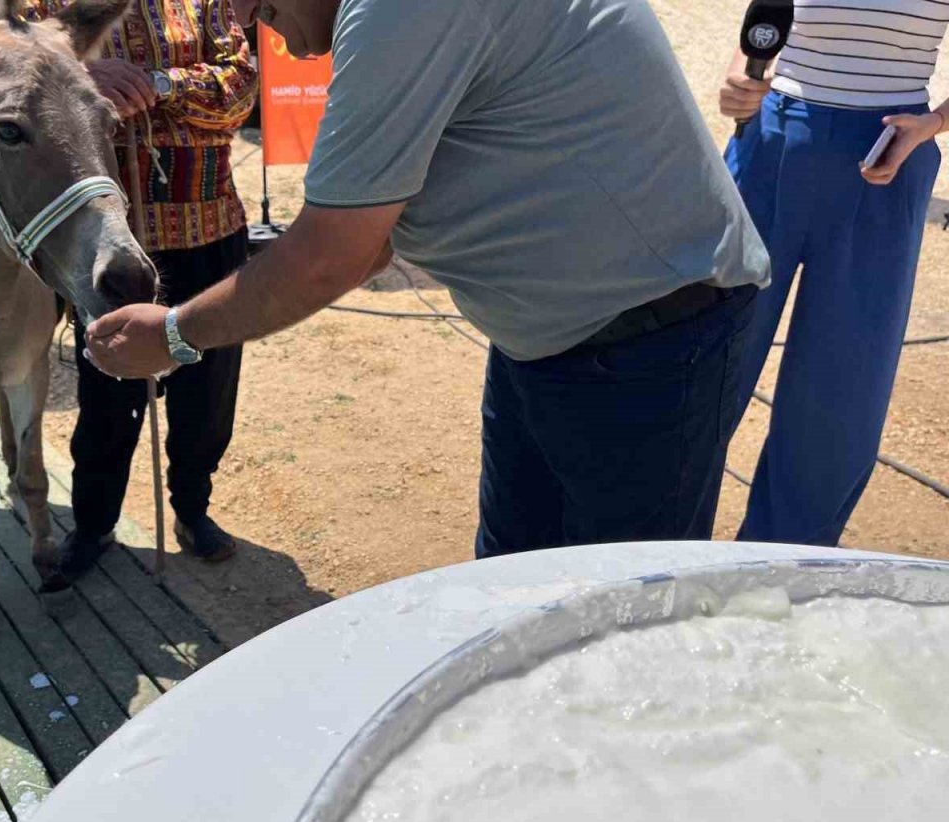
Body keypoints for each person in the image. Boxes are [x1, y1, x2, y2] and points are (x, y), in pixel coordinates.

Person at [85, 0, 771, 559]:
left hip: (644, 342)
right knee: (513, 588)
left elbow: (336, 252)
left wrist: (175, 336)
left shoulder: (398, 11)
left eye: (262, 6)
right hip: (561, 336)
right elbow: (372, 226)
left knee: (620, 622)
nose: (250, 27)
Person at [23, 0, 257, 573]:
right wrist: (82, 77)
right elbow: (20, 79)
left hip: (210, 226)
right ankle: (95, 524)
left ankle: (192, 508)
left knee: (207, 387)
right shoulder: (45, 6)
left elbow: (238, 91)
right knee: (107, 392)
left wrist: (156, 85)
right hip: (107, 240)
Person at [719, 1, 945, 547]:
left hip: (886, 155)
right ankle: (648, 551)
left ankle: (773, 575)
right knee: (707, 353)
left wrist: (934, 124)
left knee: (839, 385)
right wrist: (738, 81)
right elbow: (767, 19)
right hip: (772, 138)